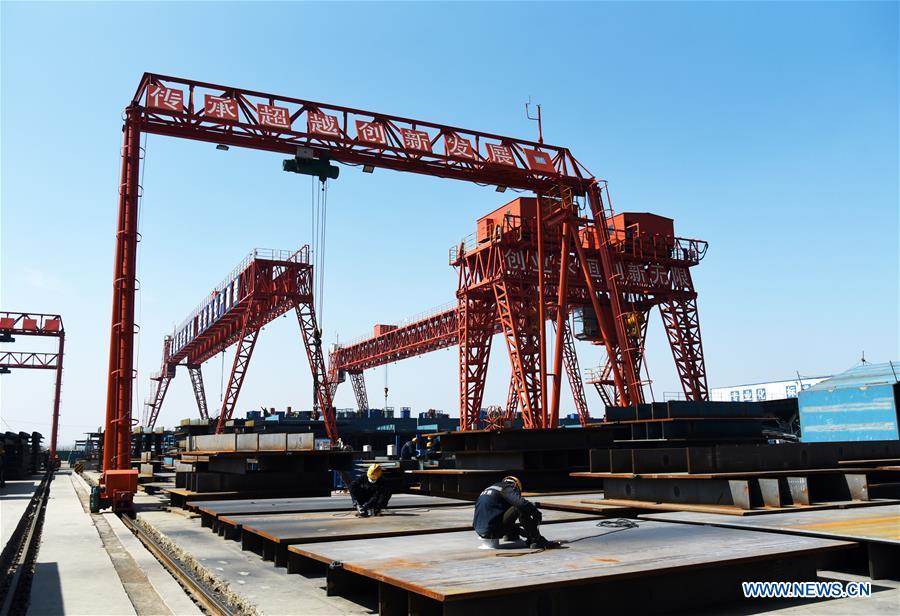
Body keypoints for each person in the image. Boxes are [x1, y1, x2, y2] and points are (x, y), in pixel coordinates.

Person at [473, 476, 559, 549]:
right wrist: (536, 513)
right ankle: (536, 539)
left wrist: (525, 534)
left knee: (504, 511)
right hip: (493, 530)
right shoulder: (507, 487)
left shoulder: (490, 489)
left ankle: (510, 535)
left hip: (479, 530)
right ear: (515, 486)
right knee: (519, 507)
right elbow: (521, 503)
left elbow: (497, 516)